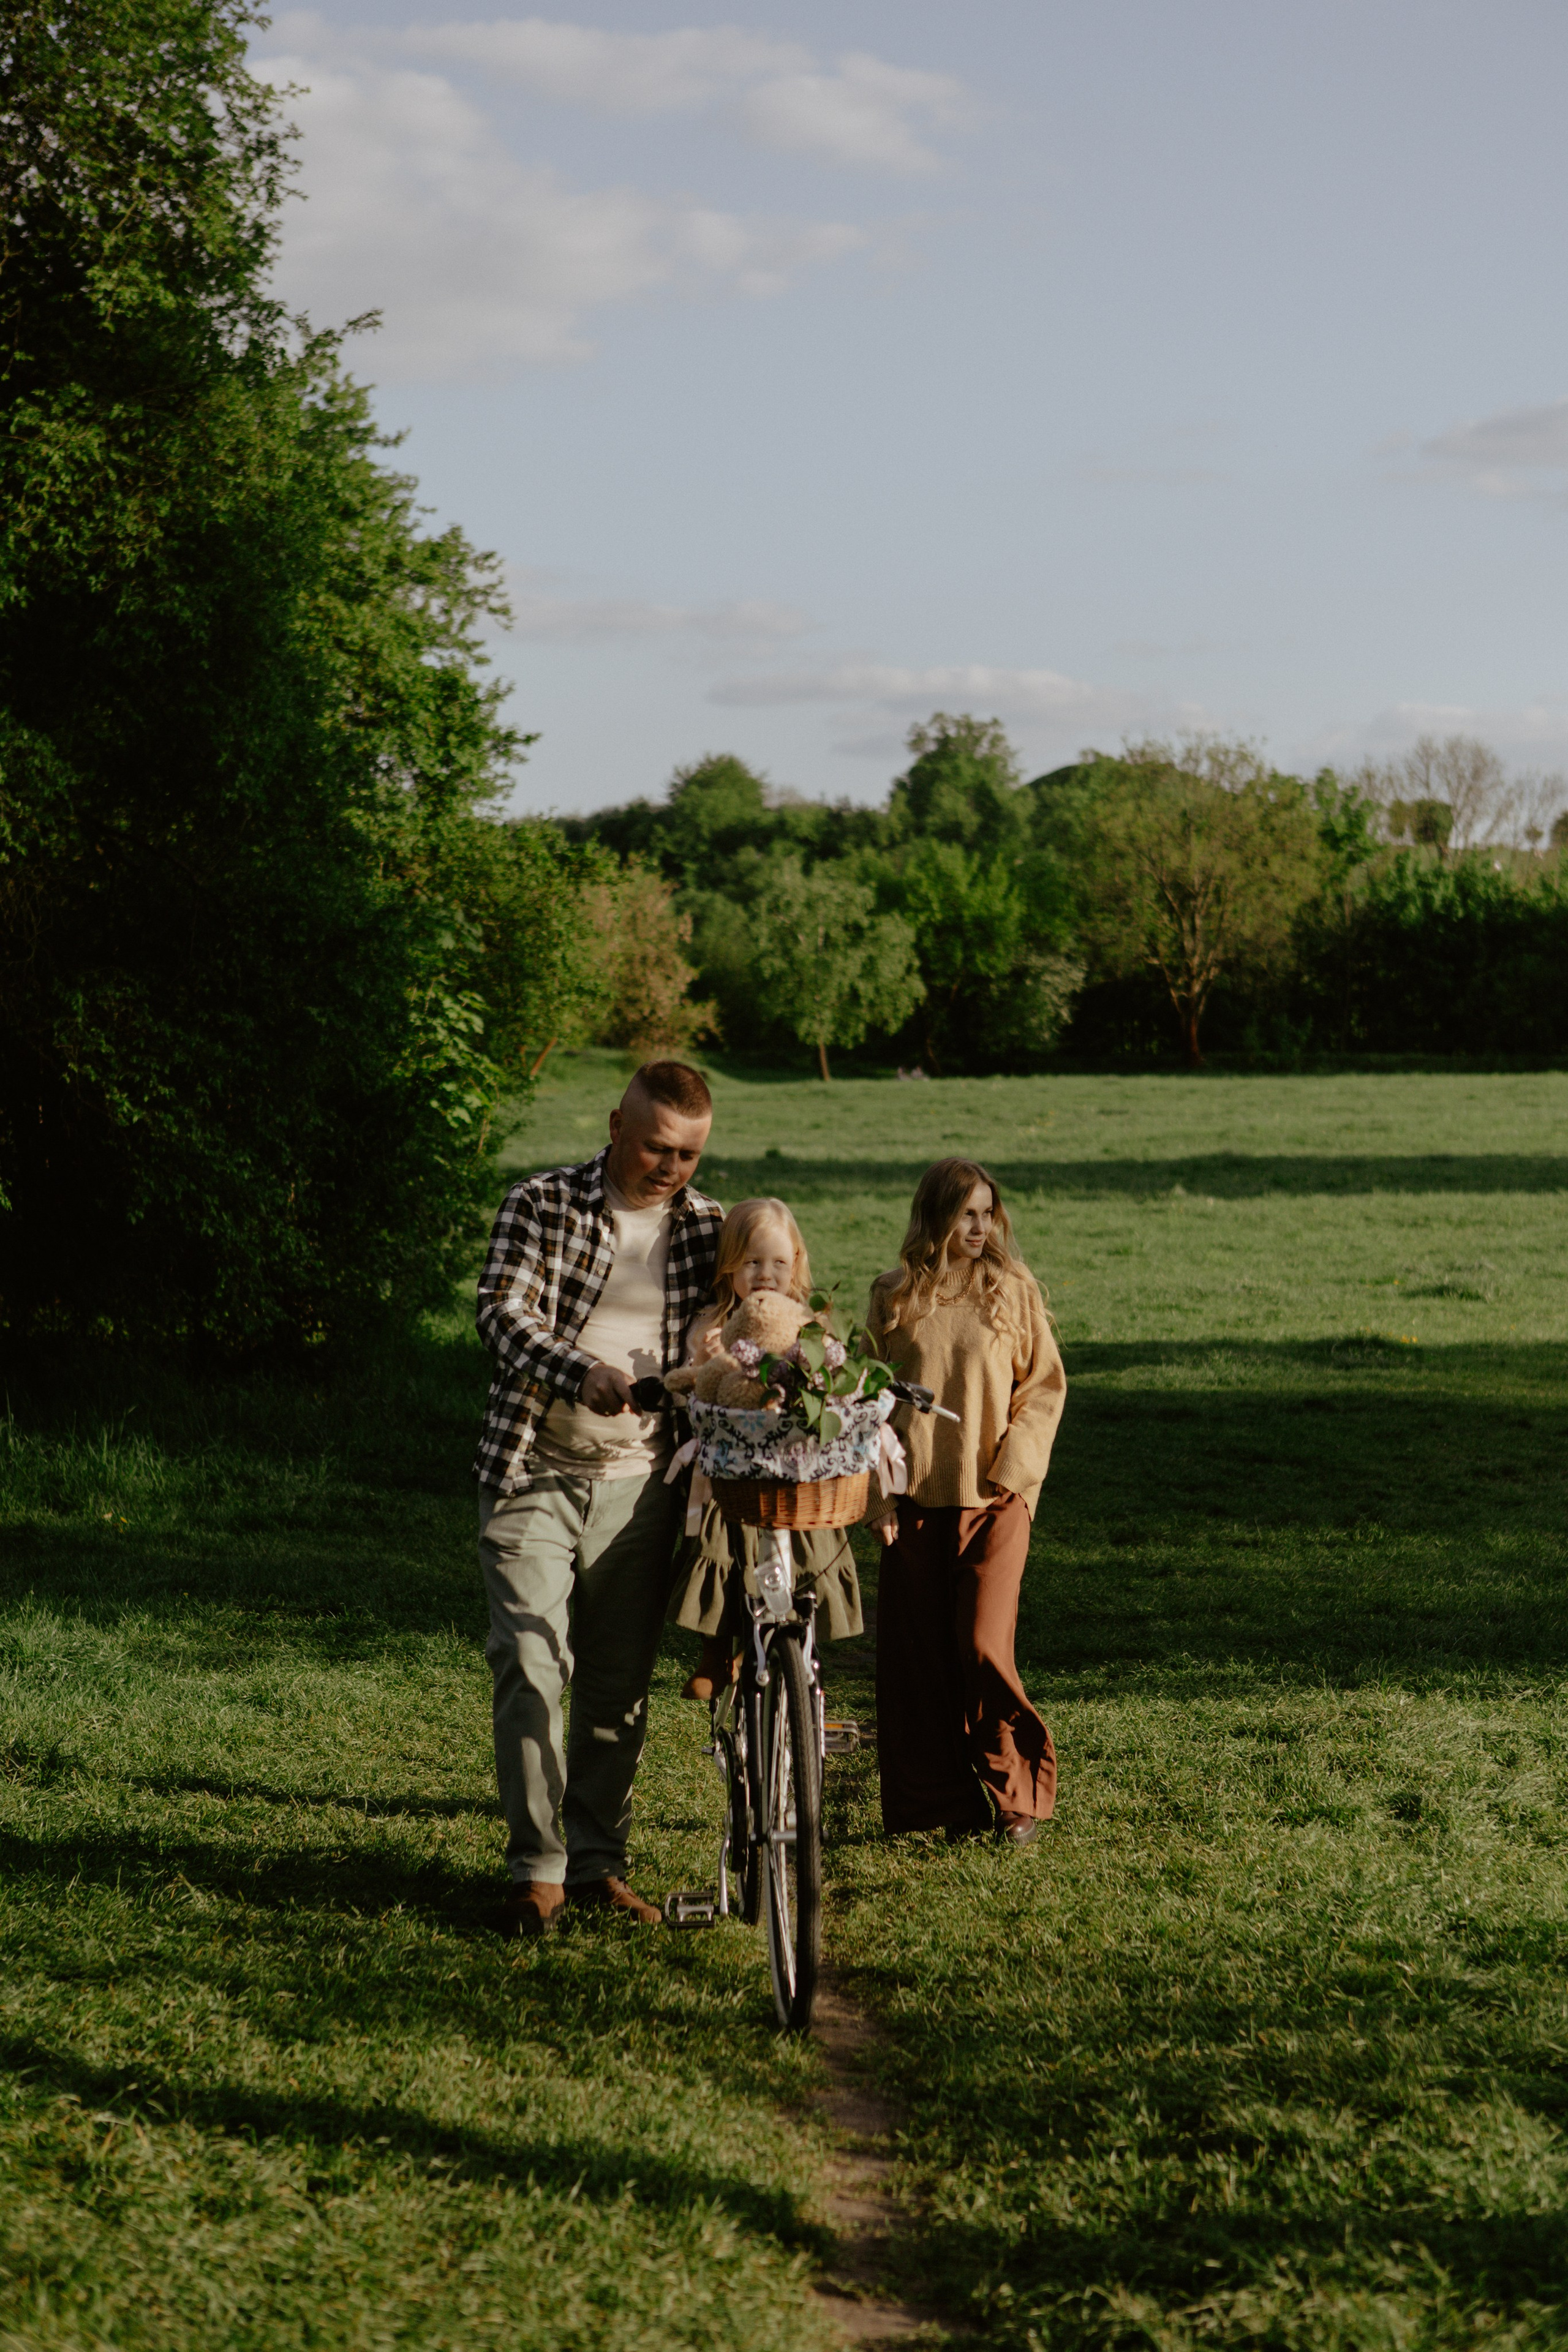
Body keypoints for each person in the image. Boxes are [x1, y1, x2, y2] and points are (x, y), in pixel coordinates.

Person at [473, 1061, 723, 1936]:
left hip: (645, 1483)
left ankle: (595, 1867)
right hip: (534, 1468)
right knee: (532, 1665)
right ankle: (535, 1872)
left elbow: (755, 1311)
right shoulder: (541, 1203)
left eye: (688, 1154)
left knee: (618, 1688)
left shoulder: (708, 1228)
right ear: (617, 1122)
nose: (671, 1167)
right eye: (657, 1146)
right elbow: (503, 1315)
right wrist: (585, 1373)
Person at [865, 1158, 1066, 1847]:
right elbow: (865, 1406)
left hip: (996, 1501)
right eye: (966, 1214)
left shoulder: (1012, 1289)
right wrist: (877, 1499)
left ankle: (1018, 1796)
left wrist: (1015, 1477)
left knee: (981, 1646)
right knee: (916, 1659)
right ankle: (947, 1803)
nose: (980, 1227)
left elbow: (1042, 1388)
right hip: (913, 1503)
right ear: (936, 1217)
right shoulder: (891, 1295)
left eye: (988, 1212)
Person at [666, 1197, 863, 1702]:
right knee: (721, 1542)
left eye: (779, 1262)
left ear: (796, 1263)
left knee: (807, 1553)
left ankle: (796, 1645)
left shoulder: (807, 1322)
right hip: (730, 1471)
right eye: (752, 1262)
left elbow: (832, 1374)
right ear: (730, 1265)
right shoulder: (712, 1322)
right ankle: (717, 1649)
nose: (765, 1274)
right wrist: (709, 1359)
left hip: (797, 1470)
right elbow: (698, 1384)